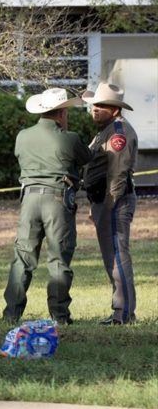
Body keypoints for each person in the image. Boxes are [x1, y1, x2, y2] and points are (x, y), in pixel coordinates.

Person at [2, 88, 96, 325]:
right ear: (62, 112)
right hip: (57, 198)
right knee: (58, 257)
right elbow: (87, 158)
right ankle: (60, 315)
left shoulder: (22, 136)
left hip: (29, 199)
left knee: (23, 256)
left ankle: (12, 313)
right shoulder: (70, 138)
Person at [82, 82, 139, 325]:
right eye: (94, 104)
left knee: (118, 256)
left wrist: (108, 207)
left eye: (102, 105)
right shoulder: (103, 131)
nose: (95, 108)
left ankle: (123, 313)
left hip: (114, 201)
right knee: (111, 257)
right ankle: (120, 311)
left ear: (115, 109)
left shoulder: (118, 133)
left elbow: (117, 175)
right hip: (103, 200)